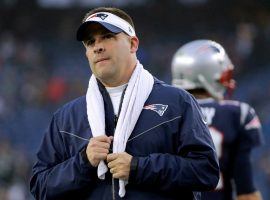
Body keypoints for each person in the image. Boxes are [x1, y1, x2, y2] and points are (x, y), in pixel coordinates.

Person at [30, 7, 219, 200]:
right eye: (90, 42)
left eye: (107, 37)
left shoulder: (177, 102)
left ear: (133, 44)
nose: (98, 46)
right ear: (87, 53)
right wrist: (83, 162)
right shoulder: (66, 117)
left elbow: (206, 172)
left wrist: (139, 168)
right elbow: (40, 187)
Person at [171, 39, 263, 200]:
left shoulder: (161, 113)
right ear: (207, 75)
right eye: (224, 74)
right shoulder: (237, 114)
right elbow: (246, 192)